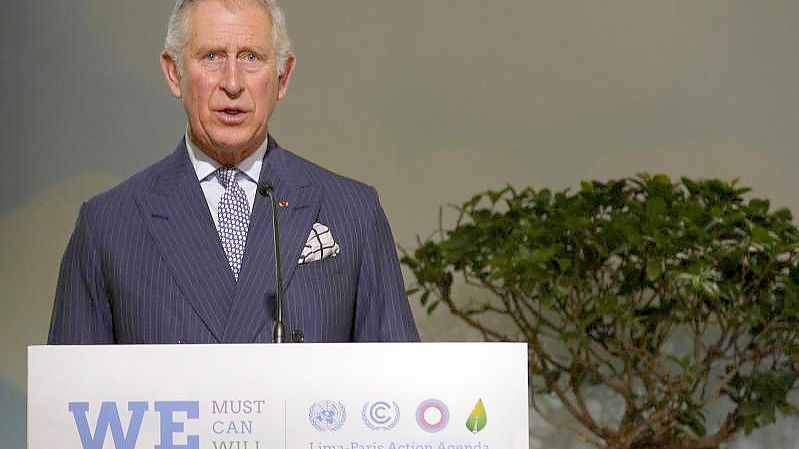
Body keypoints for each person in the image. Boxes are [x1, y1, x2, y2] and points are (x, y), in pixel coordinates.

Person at [48, 0, 419, 344]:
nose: (232, 83)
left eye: (251, 57)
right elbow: (69, 401)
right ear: (174, 73)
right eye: (211, 56)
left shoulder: (353, 211)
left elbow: (397, 390)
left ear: (282, 76)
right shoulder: (108, 225)